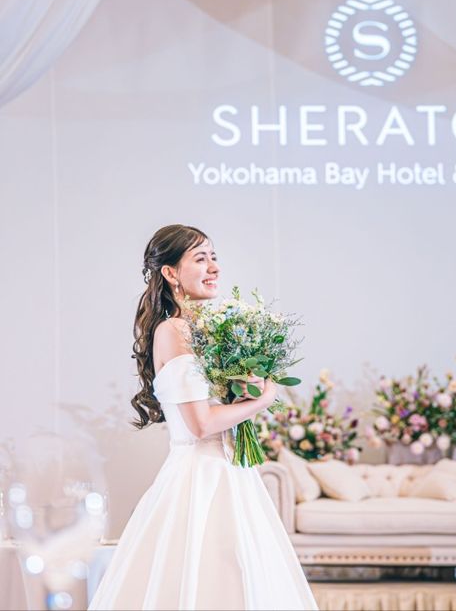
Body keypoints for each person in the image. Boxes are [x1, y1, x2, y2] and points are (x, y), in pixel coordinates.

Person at [88, 224, 318, 610]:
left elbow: (215, 408)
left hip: (232, 470)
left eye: (214, 257)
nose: (214, 267)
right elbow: (201, 425)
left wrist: (242, 387)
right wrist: (264, 399)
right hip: (201, 476)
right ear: (170, 273)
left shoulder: (205, 331)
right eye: (200, 258)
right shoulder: (174, 330)